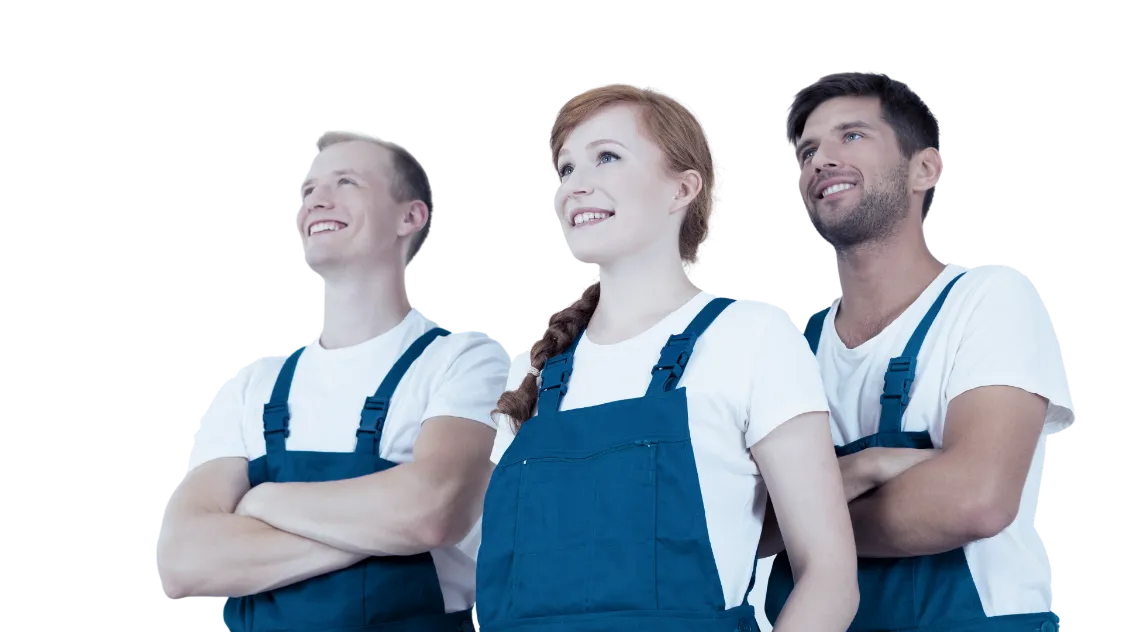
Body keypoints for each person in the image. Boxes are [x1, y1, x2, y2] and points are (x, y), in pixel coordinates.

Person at [475, 83, 859, 632]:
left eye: (607, 157)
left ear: (682, 188)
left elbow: (828, 579)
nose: (575, 185)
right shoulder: (535, 368)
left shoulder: (751, 337)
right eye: (565, 169)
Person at [156, 129, 509, 632]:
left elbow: (435, 511)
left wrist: (262, 503)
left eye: (346, 182)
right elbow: (182, 565)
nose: (317, 200)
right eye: (308, 189)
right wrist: (385, 528)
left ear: (410, 217)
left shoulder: (464, 359)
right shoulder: (253, 384)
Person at [761, 72, 1073, 632]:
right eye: (807, 152)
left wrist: (807, 518)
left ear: (925, 168)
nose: (820, 160)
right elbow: (745, 527)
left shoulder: (990, 299)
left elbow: (976, 500)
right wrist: (871, 466)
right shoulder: (794, 350)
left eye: (852, 135)